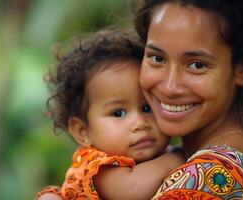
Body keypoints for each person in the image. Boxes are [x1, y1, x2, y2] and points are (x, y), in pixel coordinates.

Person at [133, 0, 243, 199]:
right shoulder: (232, 159)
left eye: (197, 65)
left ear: (242, 68)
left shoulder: (208, 179)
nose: (169, 87)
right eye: (157, 58)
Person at [35, 30, 184, 200]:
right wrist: (179, 156)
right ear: (83, 131)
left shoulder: (155, 156)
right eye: (118, 113)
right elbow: (133, 188)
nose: (140, 123)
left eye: (147, 108)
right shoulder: (98, 166)